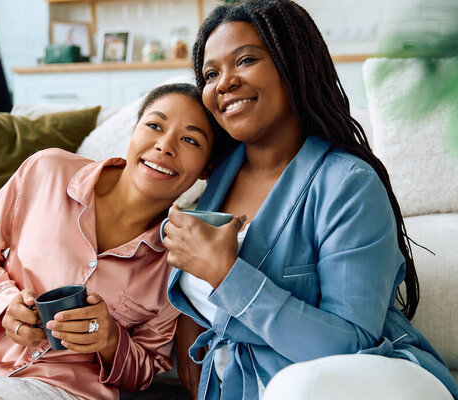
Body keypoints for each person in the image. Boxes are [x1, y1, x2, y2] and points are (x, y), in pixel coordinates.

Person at [161, 1, 458, 399]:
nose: (224, 83)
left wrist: (228, 276)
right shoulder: (210, 180)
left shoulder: (347, 183)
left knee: (298, 387)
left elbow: (352, 348)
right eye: (210, 73)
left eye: (245, 60)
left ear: (292, 63)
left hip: (368, 381)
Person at [0, 83, 221, 400]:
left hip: (64, 391)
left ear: (206, 168)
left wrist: (111, 340)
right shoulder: (48, 170)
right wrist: (4, 304)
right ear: (134, 131)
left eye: (190, 140)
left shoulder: (175, 258)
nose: (165, 145)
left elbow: (146, 370)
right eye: (154, 125)